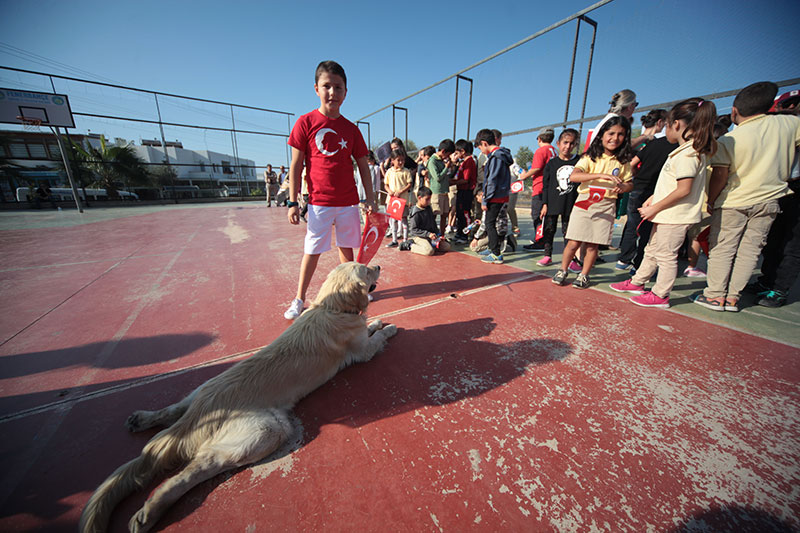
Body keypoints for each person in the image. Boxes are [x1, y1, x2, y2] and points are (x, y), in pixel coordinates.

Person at [693, 81, 800, 312]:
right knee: (750, 251)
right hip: (770, 200)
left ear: (734, 111)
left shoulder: (729, 140)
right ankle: (733, 298)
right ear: (770, 106)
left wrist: (710, 201)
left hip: (733, 201)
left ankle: (714, 296)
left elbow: (720, 176)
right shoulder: (789, 124)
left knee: (723, 248)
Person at [284, 60, 376, 320]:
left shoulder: (352, 129)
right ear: (316, 88)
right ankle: (300, 298)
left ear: (346, 92)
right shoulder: (305, 122)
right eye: (327, 86)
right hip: (319, 203)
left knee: (348, 251)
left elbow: (363, 166)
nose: (332, 92)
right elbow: (296, 164)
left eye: (338, 87)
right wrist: (292, 202)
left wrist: (368, 198)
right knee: (312, 251)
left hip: (348, 203)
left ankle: (353, 293)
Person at [610, 97, 718, 308]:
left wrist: (656, 207)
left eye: (667, 125)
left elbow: (684, 189)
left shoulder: (688, 154)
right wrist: (653, 200)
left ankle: (661, 294)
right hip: (666, 213)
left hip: (675, 216)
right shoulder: (682, 152)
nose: (666, 130)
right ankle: (638, 281)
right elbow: (670, 186)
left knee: (666, 256)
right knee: (651, 249)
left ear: (676, 124)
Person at [553, 116, 634, 288]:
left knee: (592, 244)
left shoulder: (623, 161)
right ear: (602, 135)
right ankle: (563, 270)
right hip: (585, 202)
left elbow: (630, 183)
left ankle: (584, 275)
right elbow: (574, 176)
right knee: (573, 242)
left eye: (620, 134)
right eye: (611, 133)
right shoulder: (590, 157)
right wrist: (599, 175)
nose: (615, 138)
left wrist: (624, 187)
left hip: (606, 204)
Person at [752, 91, 800, 307]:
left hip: (796, 187)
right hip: (779, 186)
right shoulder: (779, 130)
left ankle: (780, 289)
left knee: (792, 243)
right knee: (772, 239)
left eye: (793, 106)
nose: (788, 110)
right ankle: (766, 281)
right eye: (785, 106)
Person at [615, 123, 679, 272]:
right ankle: (638, 264)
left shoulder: (653, 144)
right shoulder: (677, 149)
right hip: (656, 191)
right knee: (647, 230)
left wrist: (635, 177)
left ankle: (623, 259)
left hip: (639, 187)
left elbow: (633, 163)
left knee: (632, 225)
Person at [537, 129, 580, 266]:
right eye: (565, 143)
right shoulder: (551, 163)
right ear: (558, 143)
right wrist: (544, 204)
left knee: (569, 233)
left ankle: (572, 259)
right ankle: (547, 255)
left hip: (571, 204)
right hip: (553, 203)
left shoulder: (579, 162)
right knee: (549, 230)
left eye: (571, 143)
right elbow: (546, 185)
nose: (568, 146)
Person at [475, 128, 513, 264]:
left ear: (484, 143)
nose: (481, 151)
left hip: (495, 196)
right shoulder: (501, 156)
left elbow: (492, 180)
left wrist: (485, 199)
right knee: (492, 223)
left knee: (490, 224)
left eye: (480, 148)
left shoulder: (496, 157)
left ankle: (496, 253)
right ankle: (492, 248)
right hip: (500, 195)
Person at [520, 128, 558, 250]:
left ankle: (540, 241)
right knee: (547, 216)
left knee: (537, 215)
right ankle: (545, 240)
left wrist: (524, 176)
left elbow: (536, 168)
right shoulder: (554, 151)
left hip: (540, 188)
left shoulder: (541, 151)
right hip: (551, 188)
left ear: (540, 139)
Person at [405, 186, 451, 256]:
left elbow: (433, 224)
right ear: (419, 198)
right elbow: (413, 230)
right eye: (427, 199)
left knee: (447, 246)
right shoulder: (416, 213)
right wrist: (427, 234)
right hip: (419, 236)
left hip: (430, 236)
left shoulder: (428, 208)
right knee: (429, 251)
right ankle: (410, 245)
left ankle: (429, 245)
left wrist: (439, 235)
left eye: (430, 199)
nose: (429, 202)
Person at [426, 139, 456, 237]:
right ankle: (431, 235)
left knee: (444, 215)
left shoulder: (441, 161)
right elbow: (437, 177)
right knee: (434, 215)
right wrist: (446, 167)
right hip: (436, 192)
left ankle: (442, 236)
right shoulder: (432, 161)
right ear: (443, 151)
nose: (448, 157)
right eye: (448, 155)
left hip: (444, 192)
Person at [384, 149, 413, 247]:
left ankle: (405, 240)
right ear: (392, 160)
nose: (401, 162)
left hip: (402, 200)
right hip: (392, 200)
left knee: (404, 219)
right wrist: (390, 191)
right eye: (398, 160)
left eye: (402, 160)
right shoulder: (389, 171)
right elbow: (386, 185)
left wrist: (400, 191)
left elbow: (409, 184)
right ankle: (394, 239)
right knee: (393, 220)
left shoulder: (406, 171)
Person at [452, 139, 477, 243]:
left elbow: (465, 180)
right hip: (461, 191)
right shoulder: (463, 162)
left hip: (466, 192)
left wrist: (452, 182)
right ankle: (459, 233)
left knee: (465, 213)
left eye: (457, 153)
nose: (456, 155)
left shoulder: (469, 161)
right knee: (459, 214)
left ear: (463, 151)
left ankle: (465, 235)